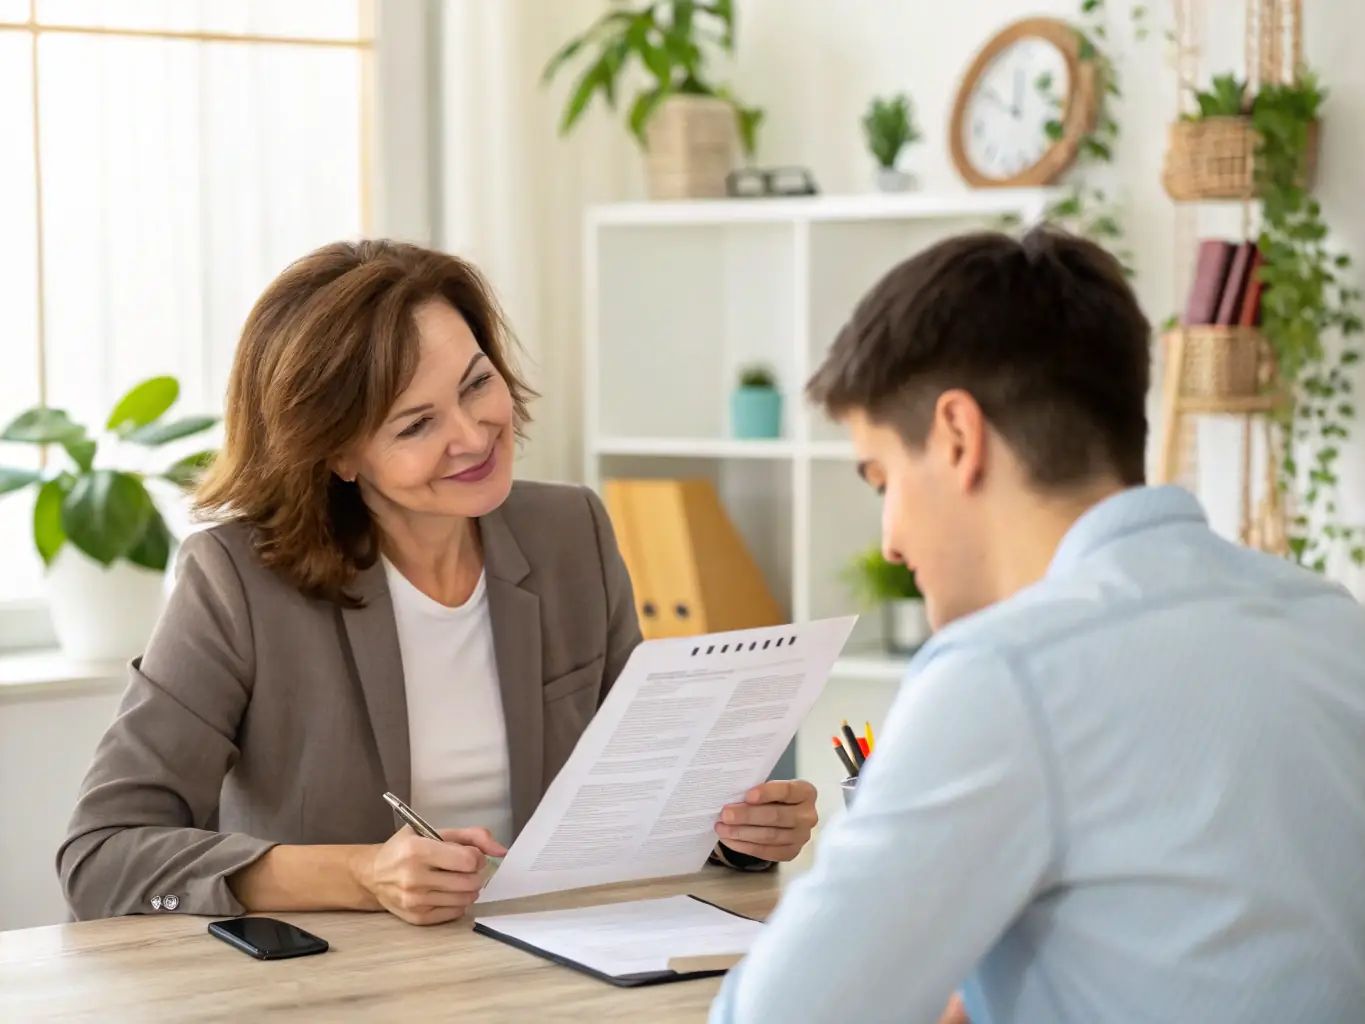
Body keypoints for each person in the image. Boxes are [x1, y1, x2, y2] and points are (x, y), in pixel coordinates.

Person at [708, 225, 1365, 1023]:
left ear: (958, 437)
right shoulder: (1328, 620)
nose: (889, 541)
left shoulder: (1005, 673)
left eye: (883, 480)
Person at [57, 239, 819, 926]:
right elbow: (101, 856)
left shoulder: (571, 533)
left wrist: (735, 836)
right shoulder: (236, 581)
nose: (472, 434)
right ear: (337, 455)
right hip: (338, 991)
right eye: (415, 424)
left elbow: (634, 797)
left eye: (476, 383)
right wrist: (363, 875)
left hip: (555, 964)